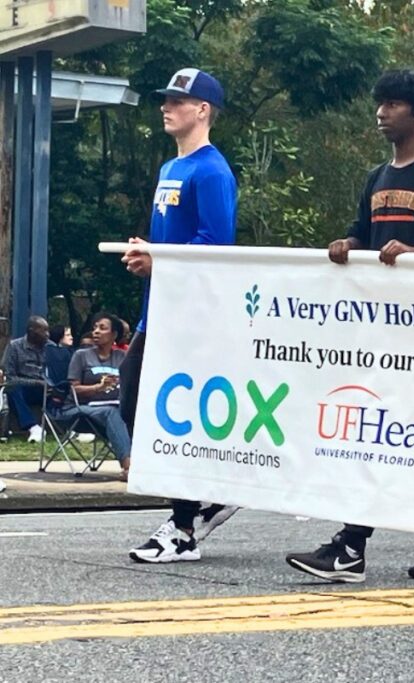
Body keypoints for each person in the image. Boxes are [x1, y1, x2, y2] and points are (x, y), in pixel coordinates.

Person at [285, 68, 414, 584]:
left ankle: (351, 548)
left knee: (387, 435)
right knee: (386, 434)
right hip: (378, 332)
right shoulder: (376, 178)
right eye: (381, 103)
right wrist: (347, 245)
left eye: (395, 104)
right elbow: (363, 232)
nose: (382, 112)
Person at [121, 68, 239, 564]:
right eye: (165, 99)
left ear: (203, 110)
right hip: (159, 311)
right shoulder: (172, 169)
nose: (166, 107)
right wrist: (147, 258)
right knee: (135, 404)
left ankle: (184, 526)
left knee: (167, 416)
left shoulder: (212, 171)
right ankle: (204, 501)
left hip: (191, 318)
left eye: (177, 100)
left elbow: (217, 244)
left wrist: (159, 260)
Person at [66, 313, 133, 480]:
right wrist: (98, 387)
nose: (96, 331)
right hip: (82, 408)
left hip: (115, 406)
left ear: (114, 335)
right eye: (95, 327)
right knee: (111, 412)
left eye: (102, 328)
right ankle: (128, 467)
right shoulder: (81, 356)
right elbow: (73, 390)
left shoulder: (122, 357)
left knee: (134, 412)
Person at [1, 316, 54, 443]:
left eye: (48, 331)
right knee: (12, 389)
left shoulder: (51, 347)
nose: (47, 335)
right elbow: (10, 377)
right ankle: (33, 427)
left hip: (47, 388)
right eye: (43, 331)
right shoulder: (15, 347)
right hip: (25, 388)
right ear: (31, 331)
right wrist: (36, 382)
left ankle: (72, 429)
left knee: (65, 388)